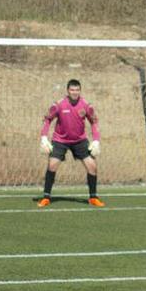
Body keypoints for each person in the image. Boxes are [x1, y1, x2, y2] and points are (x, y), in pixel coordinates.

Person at [38, 79, 104, 208]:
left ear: (80, 91)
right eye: (72, 90)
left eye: (77, 90)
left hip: (80, 141)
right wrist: (43, 138)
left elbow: (94, 122)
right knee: (52, 165)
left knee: (92, 166)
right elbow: (47, 119)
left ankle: (93, 197)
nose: (75, 92)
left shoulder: (86, 105)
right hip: (60, 140)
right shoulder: (58, 104)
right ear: (68, 91)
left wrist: (96, 140)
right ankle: (46, 197)